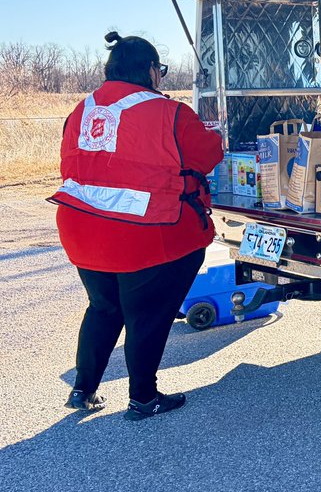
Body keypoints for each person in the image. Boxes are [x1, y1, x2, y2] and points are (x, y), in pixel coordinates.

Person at [51, 31, 223, 421]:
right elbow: (208, 154)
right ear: (150, 70)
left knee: (103, 307)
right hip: (145, 234)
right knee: (146, 315)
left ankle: (84, 389)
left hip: (81, 230)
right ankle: (144, 398)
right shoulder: (169, 113)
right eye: (159, 69)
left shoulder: (82, 109)